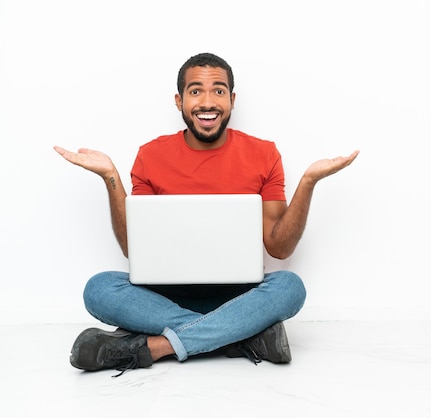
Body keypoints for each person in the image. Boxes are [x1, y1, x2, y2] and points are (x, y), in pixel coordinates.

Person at [53, 52, 359, 376]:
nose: (207, 102)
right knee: (99, 289)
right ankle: (240, 338)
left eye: (219, 91)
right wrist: (110, 177)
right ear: (179, 100)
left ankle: (155, 348)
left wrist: (308, 182)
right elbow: (134, 249)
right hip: (164, 299)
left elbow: (279, 248)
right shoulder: (150, 155)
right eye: (195, 91)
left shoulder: (264, 154)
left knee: (290, 287)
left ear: (232, 99)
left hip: (238, 296)